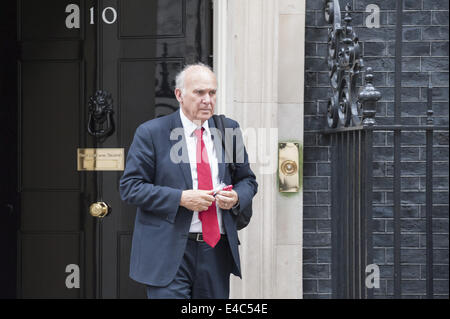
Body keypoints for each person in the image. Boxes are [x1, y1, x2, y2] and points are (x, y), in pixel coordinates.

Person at [119, 63, 258, 299]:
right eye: (199, 92)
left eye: (212, 93)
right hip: (168, 250)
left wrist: (235, 198)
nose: (207, 100)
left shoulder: (229, 130)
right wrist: (181, 198)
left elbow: (248, 181)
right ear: (179, 95)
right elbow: (131, 187)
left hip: (216, 249)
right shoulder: (151, 133)